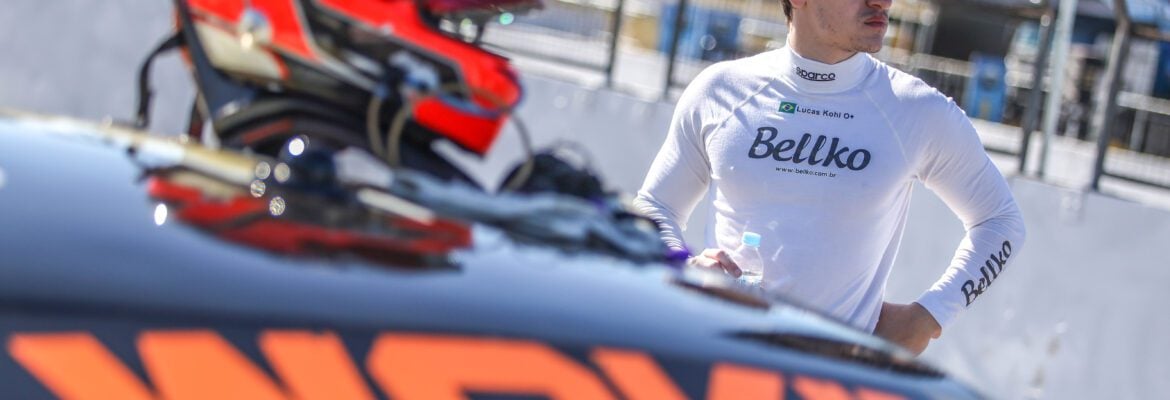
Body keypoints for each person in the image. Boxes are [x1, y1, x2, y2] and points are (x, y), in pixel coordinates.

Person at [633, 0, 1026, 355]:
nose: (883, 3)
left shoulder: (917, 109)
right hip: (717, 357)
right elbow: (656, 206)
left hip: (833, 377)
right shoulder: (718, 89)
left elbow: (1001, 222)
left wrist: (929, 317)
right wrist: (681, 265)